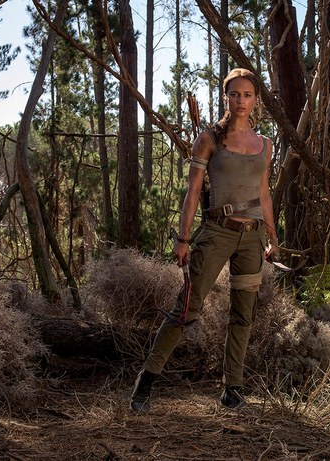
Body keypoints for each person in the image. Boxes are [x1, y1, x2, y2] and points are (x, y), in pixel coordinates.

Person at [130, 68, 279, 412]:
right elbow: (193, 192)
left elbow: (264, 193)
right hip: (216, 233)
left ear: (256, 100)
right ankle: (145, 383)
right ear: (226, 97)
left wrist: (273, 237)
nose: (240, 101)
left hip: (252, 238)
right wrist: (183, 239)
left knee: (243, 315)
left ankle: (232, 390)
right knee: (187, 307)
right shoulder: (209, 139)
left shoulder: (265, 145)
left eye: (247, 95)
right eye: (234, 94)